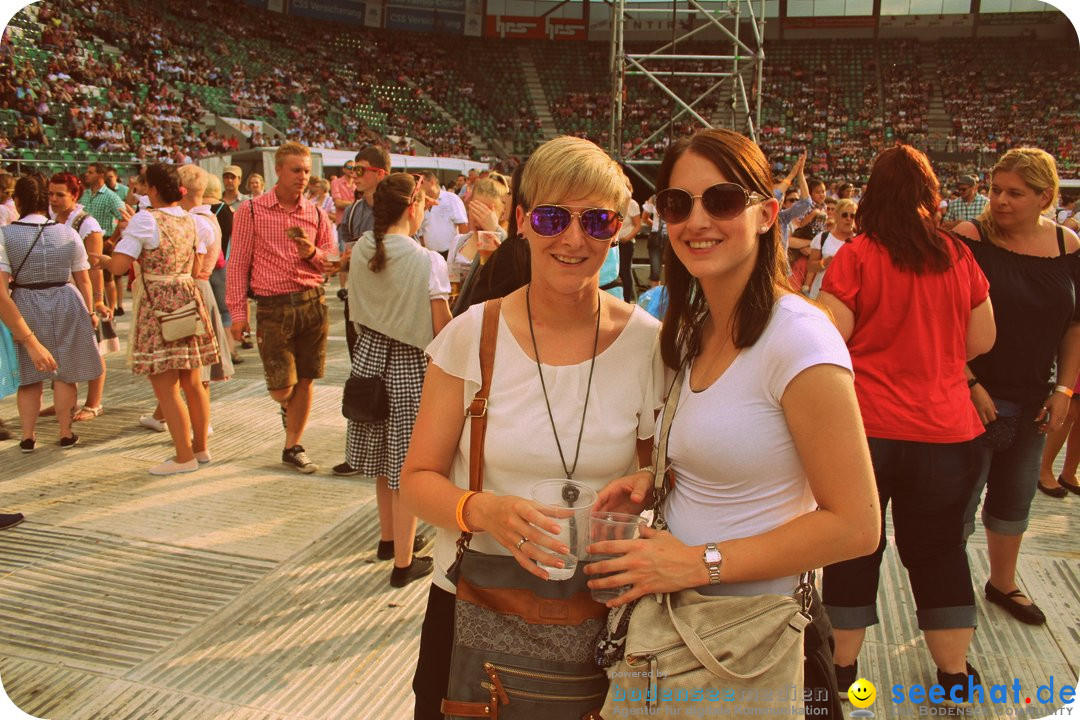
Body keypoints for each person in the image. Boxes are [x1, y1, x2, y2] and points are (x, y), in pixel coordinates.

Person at [584, 128, 878, 703]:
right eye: (676, 204)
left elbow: (857, 525)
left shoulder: (799, 338)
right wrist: (658, 483)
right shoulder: (699, 328)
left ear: (768, 215)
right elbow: (743, 454)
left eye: (719, 201)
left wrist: (698, 563)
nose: (696, 221)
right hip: (682, 632)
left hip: (749, 642)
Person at [400, 136, 664, 720]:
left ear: (618, 229)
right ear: (522, 222)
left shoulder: (649, 345)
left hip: (603, 612)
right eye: (552, 217)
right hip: (474, 606)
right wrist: (486, 510)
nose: (573, 239)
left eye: (596, 221)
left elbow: (659, 475)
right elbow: (416, 479)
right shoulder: (475, 334)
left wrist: (647, 487)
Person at [817, 145, 996, 700]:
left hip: (865, 428)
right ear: (930, 195)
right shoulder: (957, 256)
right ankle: (952, 674)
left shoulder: (856, 255)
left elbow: (829, 336)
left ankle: (842, 671)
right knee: (940, 549)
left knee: (855, 544)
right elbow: (982, 340)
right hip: (946, 428)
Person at [955, 148, 1080, 627]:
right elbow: (941, 318)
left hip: (1034, 396)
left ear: (1045, 197)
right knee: (958, 500)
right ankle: (950, 586)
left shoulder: (1068, 246)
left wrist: (1064, 390)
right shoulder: (971, 238)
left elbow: (1074, 326)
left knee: (1015, 496)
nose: (1000, 201)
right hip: (972, 396)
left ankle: (1002, 581)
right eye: (995, 189)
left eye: (1015, 193)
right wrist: (968, 381)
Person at [333, 173, 450, 586]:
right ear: (414, 207)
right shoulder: (428, 261)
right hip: (409, 366)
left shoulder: (363, 246)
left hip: (367, 360)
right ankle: (404, 563)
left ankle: (388, 540)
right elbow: (442, 330)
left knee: (385, 462)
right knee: (407, 465)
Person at [89, 164, 219, 475]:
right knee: (192, 380)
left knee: (166, 385)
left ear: (155, 190)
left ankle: (183, 456)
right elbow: (198, 263)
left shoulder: (146, 219)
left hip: (158, 300)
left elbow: (120, 267)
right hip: (188, 296)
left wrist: (101, 258)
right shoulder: (193, 220)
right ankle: (200, 449)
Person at [226, 142, 338, 474]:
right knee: (281, 389)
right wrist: (237, 313)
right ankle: (289, 411)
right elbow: (237, 264)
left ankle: (293, 446)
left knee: (306, 380)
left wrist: (311, 254)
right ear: (278, 170)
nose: (303, 177)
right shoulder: (252, 210)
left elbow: (330, 263)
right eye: (296, 170)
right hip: (273, 308)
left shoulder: (317, 213)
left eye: (306, 171)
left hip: (312, 305)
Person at [2, 174, 103, 451]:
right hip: (65, 299)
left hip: (24, 301)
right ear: (44, 200)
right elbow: (83, 278)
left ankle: (28, 436)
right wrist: (90, 309)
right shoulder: (68, 232)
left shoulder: (5, 234)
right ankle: (64, 431)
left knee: (29, 375)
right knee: (65, 373)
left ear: (18, 201)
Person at [48, 172, 117, 422]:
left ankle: (94, 403)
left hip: (85, 292)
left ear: (74, 195)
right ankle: (64, 401)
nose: (54, 199)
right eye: (51, 194)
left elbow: (95, 267)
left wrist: (97, 301)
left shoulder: (87, 224)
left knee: (93, 349)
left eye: (60, 195)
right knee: (61, 349)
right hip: (61, 292)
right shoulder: (51, 217)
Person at [337, 146, 390, 350]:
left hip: (388, 300)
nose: (354, 175)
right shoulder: (351, 212)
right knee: (359, 370)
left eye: (360, 170)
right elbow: (346, 257)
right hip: (358, 300)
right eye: (352, 169)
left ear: (380, 174)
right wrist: (342, 262)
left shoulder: (400, 209)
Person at [79, 163, 125, 315]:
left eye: (90, 172)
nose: (87, 174)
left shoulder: (111, 196)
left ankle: (111, 311)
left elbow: (123, 218)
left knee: (107, 278)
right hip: (85, 239)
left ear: (100, 175)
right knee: (88, 275)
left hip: (104, 239)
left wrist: (112, 240)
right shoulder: (85, 194)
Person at [802, 197, 858, 299]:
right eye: (844, 215)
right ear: (836, 216)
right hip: (821, 295)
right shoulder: (823, 237)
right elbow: (810, 266)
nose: (848, 218)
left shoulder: (859, 241)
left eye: (852, 215)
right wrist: (824, 262)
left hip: (847, 298)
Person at [419, 170, 468, 259]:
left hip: (449, 253)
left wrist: (461, 252)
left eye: (421, 182)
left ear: (432, 182)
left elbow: (463, 225)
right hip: (429, 255)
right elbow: (421, 232)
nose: (418, 185)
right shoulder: (420, 203)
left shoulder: (451, 198)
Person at [617, 182, 643, 301]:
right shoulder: (614, 203)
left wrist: (627, 238)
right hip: (613, 243)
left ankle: (626, 300)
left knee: (624, 271)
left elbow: (638, 225)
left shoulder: (632, 204)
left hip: (625, 243)